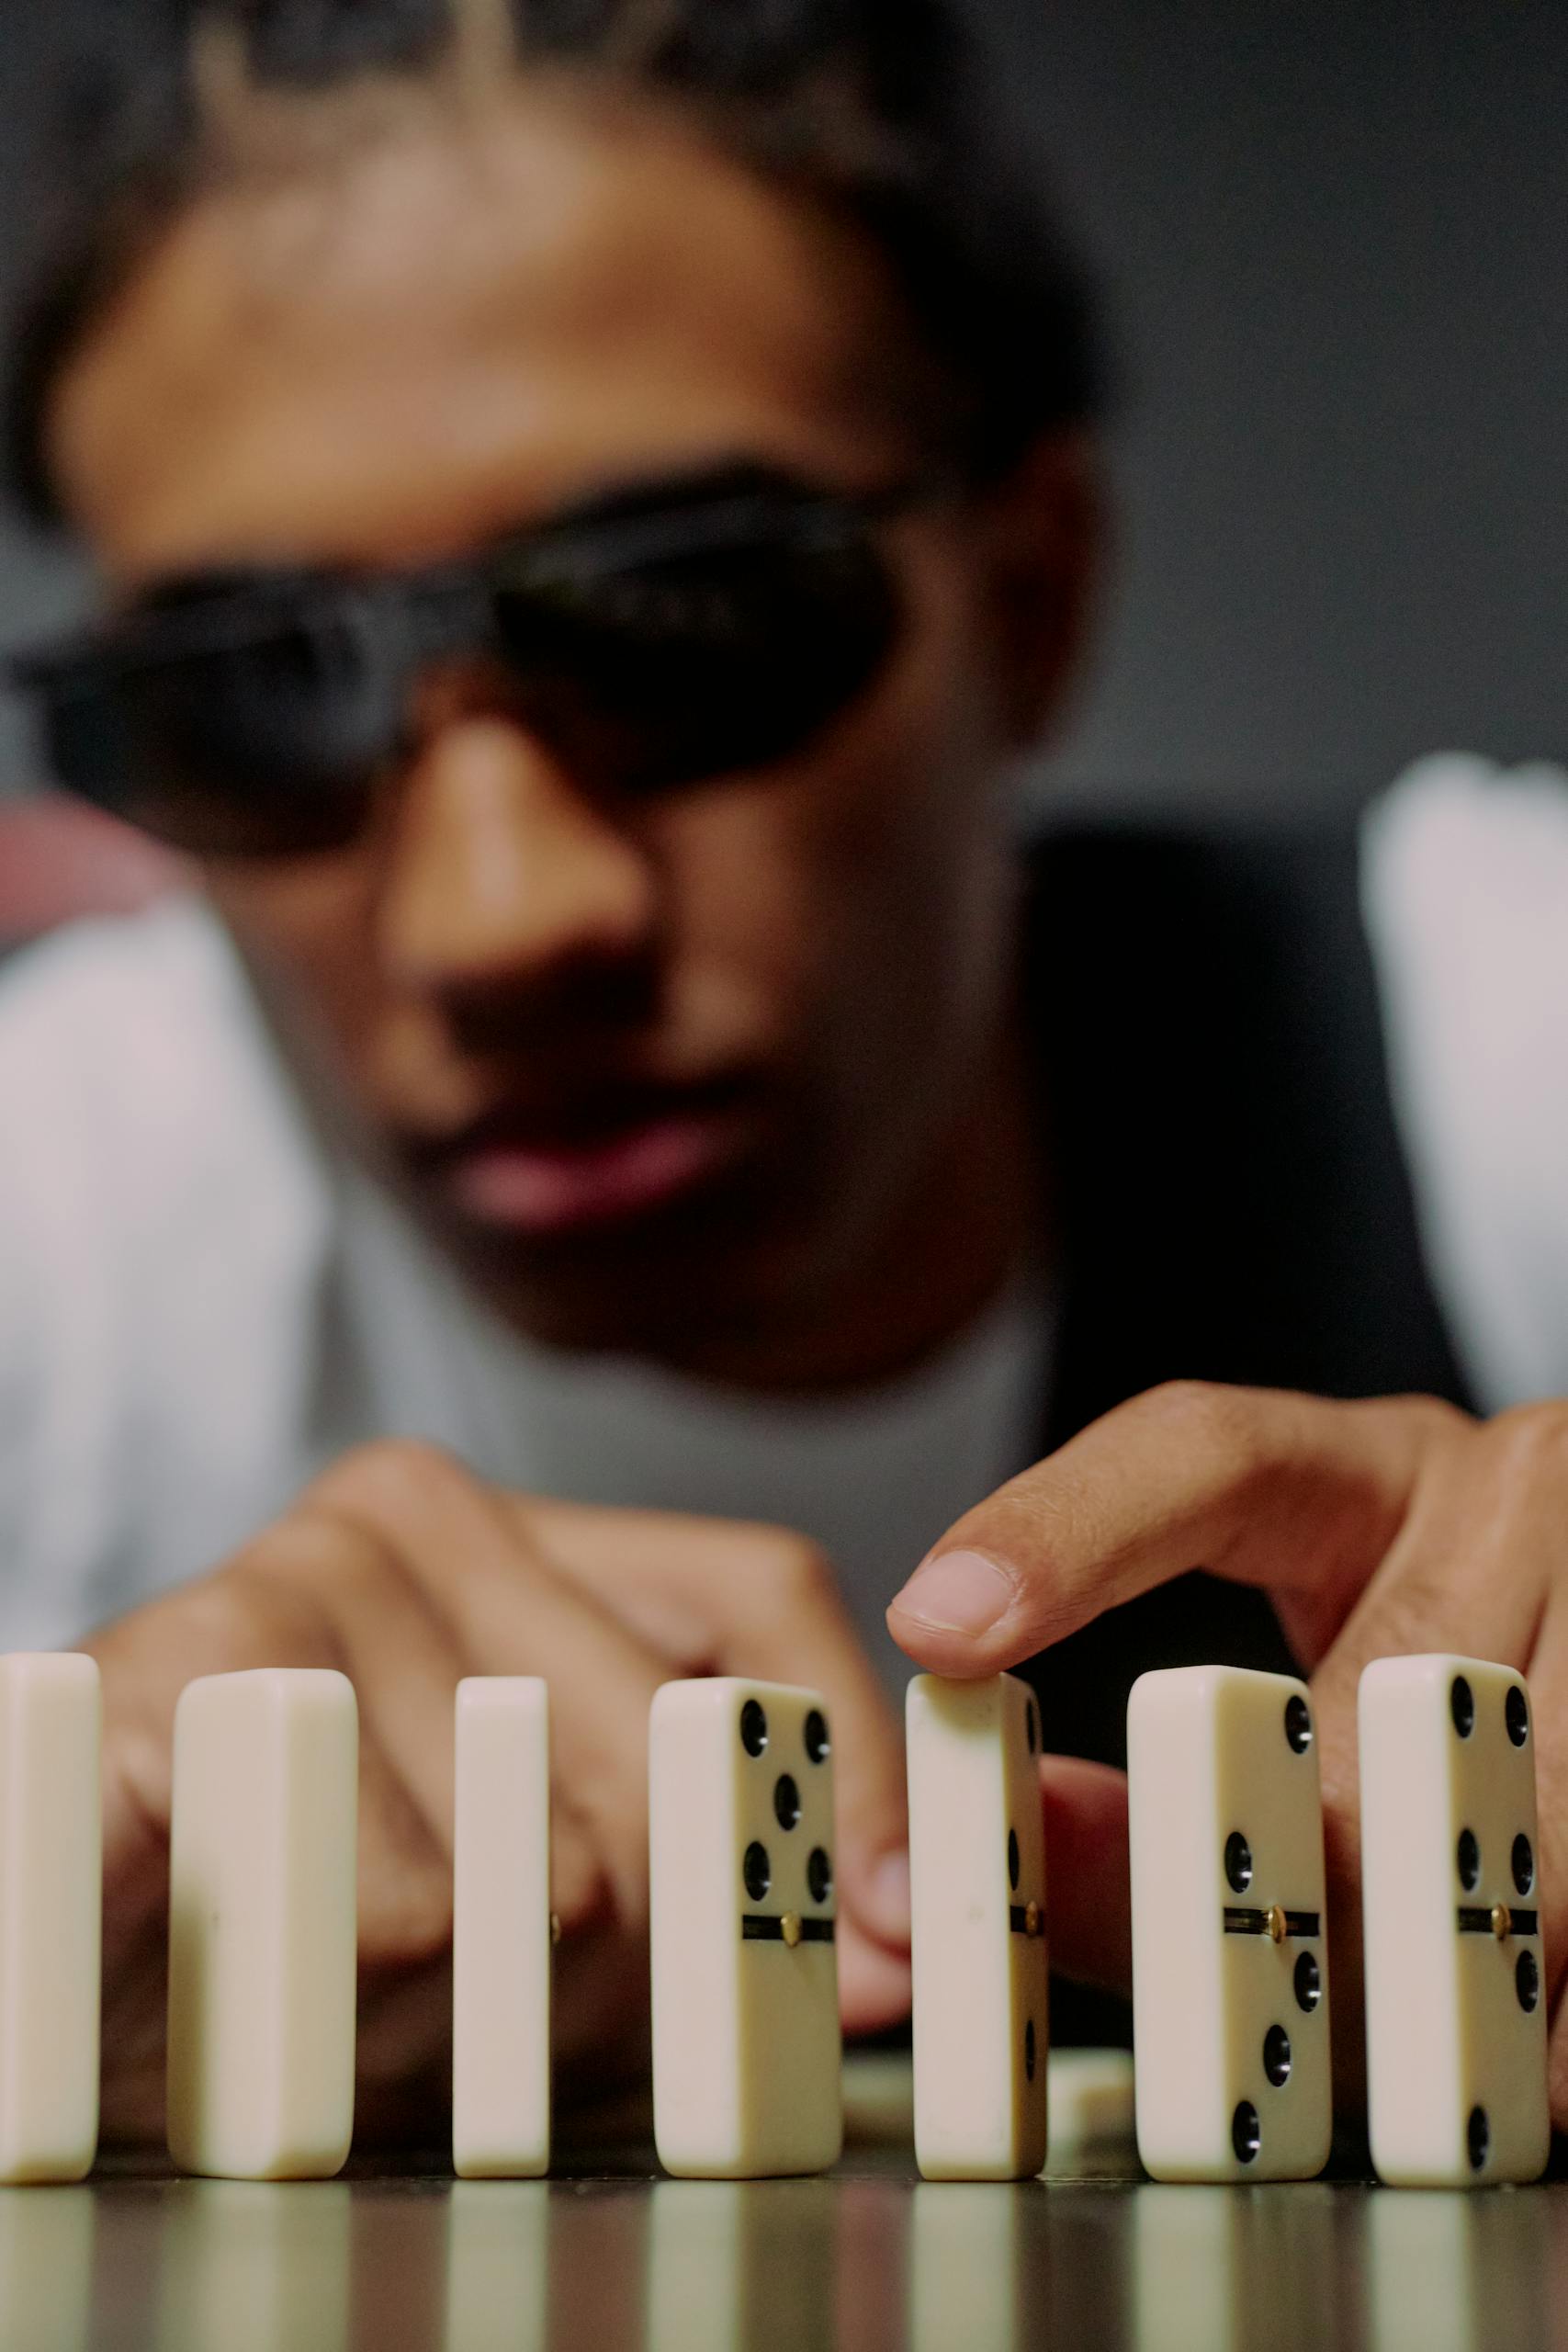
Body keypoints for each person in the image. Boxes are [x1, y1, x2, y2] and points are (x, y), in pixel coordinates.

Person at [3, 0, 1567, 2145]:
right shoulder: (58, 1200)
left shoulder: (1499, 1021)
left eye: (684, 618)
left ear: (1028, 594)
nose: (501, 910)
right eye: (246, 698)